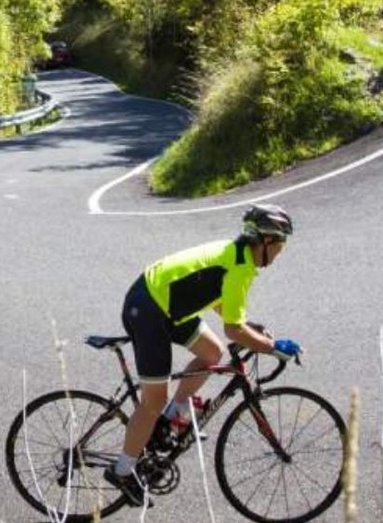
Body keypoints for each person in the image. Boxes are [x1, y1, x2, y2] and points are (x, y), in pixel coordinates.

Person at [104, 204, 302, 506]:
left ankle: (170, 419)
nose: (280, 253)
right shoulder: (239, 266)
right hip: (148, 309)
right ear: (266, 242)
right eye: (281, 246)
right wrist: (273, 347)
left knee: (211, 352)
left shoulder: (238, 255)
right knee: (153, 400)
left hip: (167, 304)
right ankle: (122, 471)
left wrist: (250, 328)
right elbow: (234, 331)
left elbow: (219, 301)